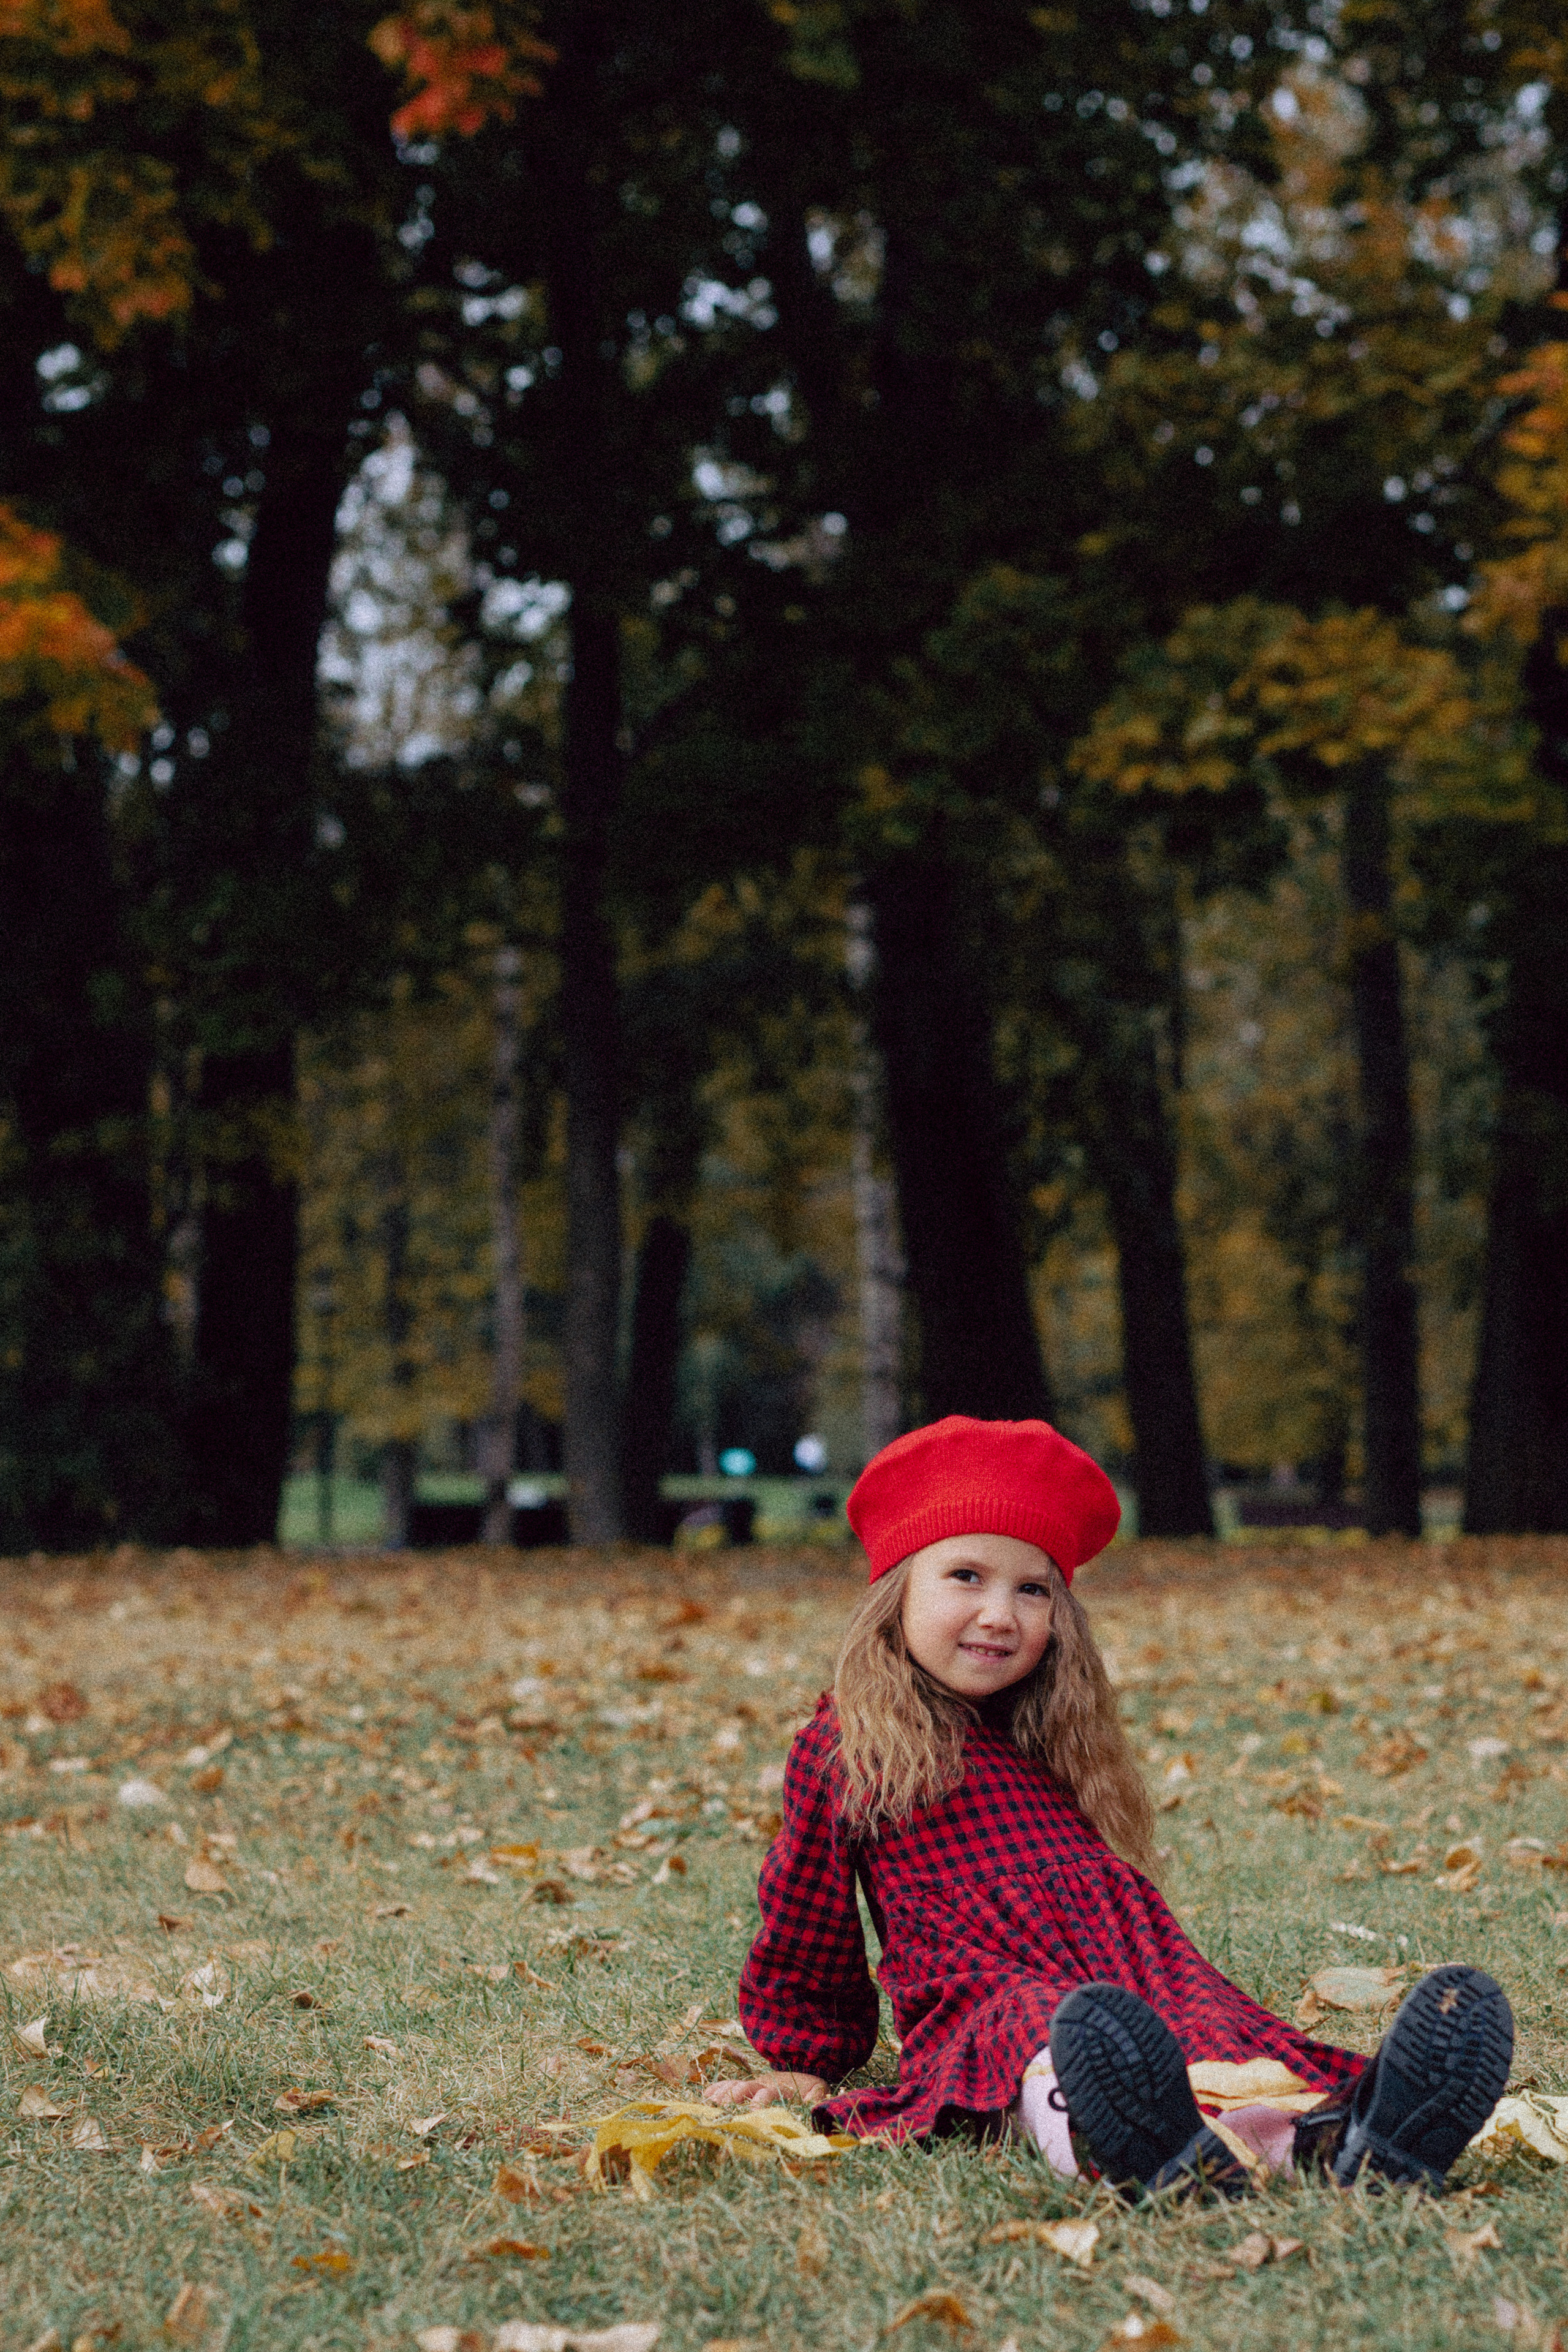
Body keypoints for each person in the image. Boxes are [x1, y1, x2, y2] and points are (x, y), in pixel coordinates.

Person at [704, 1416, 1513, 2195]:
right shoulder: (850, 1744)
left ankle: (1356, 2139)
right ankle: (1134, 2148)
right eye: (966, 1576)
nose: (1000, 1614)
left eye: (1032, 1590)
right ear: (896, 1595)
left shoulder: (1052, 1735)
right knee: (1051, 2038)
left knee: (1211, 2039)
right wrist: (806, 2053)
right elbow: (808, 1917)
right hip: (985, 1984)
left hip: (1135, 1966)